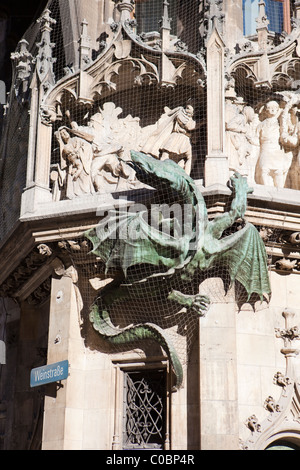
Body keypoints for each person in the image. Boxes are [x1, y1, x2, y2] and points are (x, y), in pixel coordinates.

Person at [256, 100, 292, 188]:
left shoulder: (280, 124)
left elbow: (286, 134)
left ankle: (279, 194)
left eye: (274, 108)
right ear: (266, 110)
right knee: (264, 170)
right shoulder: (261, 125)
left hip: (276, 150)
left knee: (278, 172)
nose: (272, 109)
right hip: (265, 150)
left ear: (277, 110)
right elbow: (256, 139)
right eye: (269, 107)